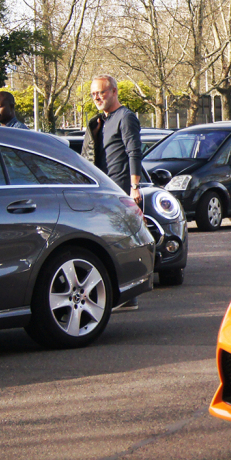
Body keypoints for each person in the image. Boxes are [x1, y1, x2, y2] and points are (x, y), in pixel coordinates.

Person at [88, 74, 144, 310]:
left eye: (101, 92)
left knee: (122, 242)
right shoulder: (100, 120)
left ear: (114, 92)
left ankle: (129, 297)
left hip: (119, 190)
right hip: (101, 191)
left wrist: (134, 187)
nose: (97, 97)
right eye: (93, 94)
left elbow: (134, 152)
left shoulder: (126, 117)